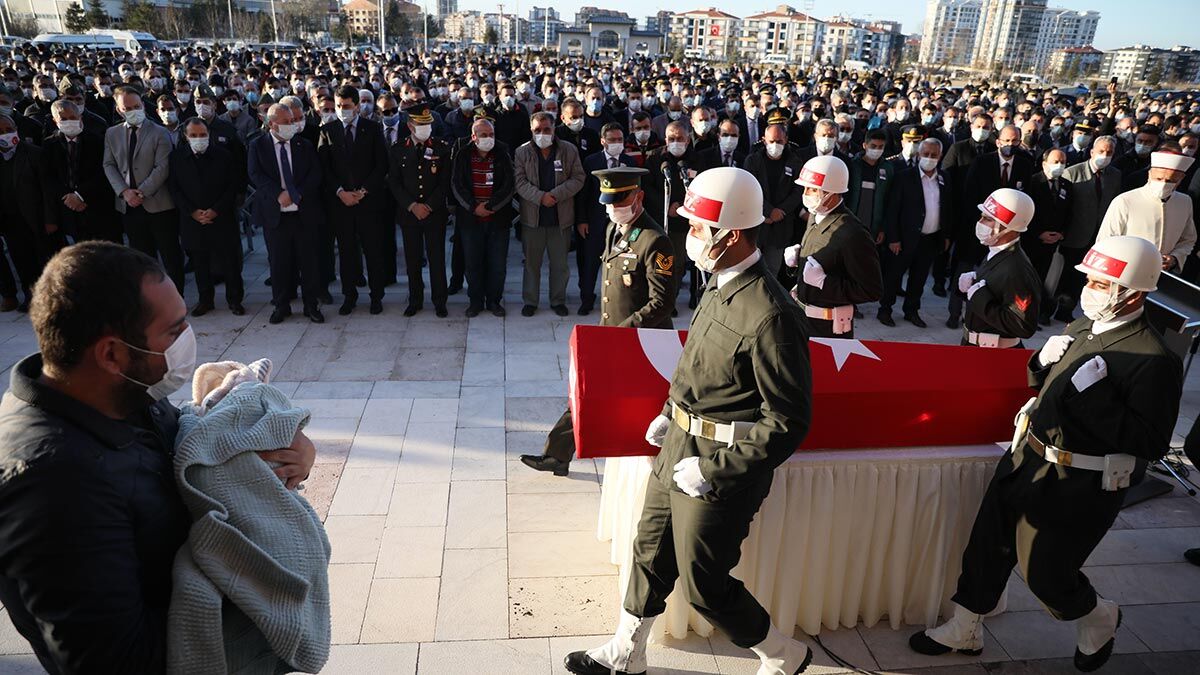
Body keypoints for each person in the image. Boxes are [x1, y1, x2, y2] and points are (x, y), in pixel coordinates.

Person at [0, 242, 316, 675]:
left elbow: (177, 441)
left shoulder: (111, 389)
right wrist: (266, 607)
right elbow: (121, 661)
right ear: (111, 353)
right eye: (174, 331)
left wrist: (282, 450)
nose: (189, 342)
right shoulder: (53, 488)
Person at [564, 167, 813, 675]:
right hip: (679, 441)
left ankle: (783, 654)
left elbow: (787, 420)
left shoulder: (771, 313)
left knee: (705, 585)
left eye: (698, 228)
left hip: (718, 465)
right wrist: (669, 412)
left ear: (733, 234)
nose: (689, 237)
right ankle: (626, 652)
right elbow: (698, 362)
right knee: (649, 550)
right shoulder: (719, 285)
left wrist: (716, 470)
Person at [911, 235, 1182, 673]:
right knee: (987, 546)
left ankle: (1097, 617)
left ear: (1133, 292)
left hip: (1079, 484)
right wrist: (1040, 362)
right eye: (1090, 280)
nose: (1090, 290)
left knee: (1047, 575)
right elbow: (1046, 387)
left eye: (1100, 283)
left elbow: (1148, 442)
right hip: (1029, 456)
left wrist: (1096, 397)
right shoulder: (1082, 328)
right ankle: (965, 626)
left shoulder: (1153, 359)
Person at [523, 167, 676, 477]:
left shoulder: (655, 241)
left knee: (657, 403)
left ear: (638, 197)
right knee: (585, 392)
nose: (612, 209)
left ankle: (669, 457)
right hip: (613, 335)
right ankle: (556, 454)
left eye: (619, 202)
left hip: (642, 341)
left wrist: (625, 331)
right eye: (608, 202)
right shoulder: (614, 229)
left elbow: (662, 302)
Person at [784, 156, 883, 338]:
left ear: (833, 191)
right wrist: (799, 261)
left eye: (813, 189)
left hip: (829, 329)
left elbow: (871, 290)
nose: (806, 194)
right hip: (804, 319)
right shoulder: (816, 216)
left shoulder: (852, 233)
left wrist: (825, 282)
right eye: (805, 188)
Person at [948, 124, 1034, 329]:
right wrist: (984, 225)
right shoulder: (982, 162)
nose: (1010, 145)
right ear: (998, 142)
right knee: (965, 271)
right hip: (977, 230)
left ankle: (985, 315)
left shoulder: (1026, 165)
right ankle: (954, 312)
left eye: (1015, 141)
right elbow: (969, 196)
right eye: (1006, 141)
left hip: (1005, 235)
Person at [247, 103, 325, 324]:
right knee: (279, 263)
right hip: (276, 214)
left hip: (303, 212)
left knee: (308, 262)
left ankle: (311, 305)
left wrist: (296, 193)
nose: (292, 125)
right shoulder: (258, 146)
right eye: (287, 122)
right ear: (272, 124)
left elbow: (314, 173)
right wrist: (278, 194)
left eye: (293, 121)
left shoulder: (304, 145)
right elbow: (255, 173)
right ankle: (281, 305)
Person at [103, 86, 183, 294]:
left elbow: (162, 167)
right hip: (128, 205)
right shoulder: (112, 133)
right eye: (127, 108)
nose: (133, 110)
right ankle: (152, 298)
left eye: (137, 106)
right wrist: (124, 192)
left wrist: (141, 192)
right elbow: (109, 165)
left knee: (170, 254)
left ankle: (176, 296)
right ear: (119, 109)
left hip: (158, 204)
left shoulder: (159, 132)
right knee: (141, 257)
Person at [319, 85, 390, 315]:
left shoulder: (372, 128)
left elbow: (381, 165)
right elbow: (324, 168)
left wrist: (364, 191)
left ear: (357, 106)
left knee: (373, 251)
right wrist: (340, 192)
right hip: (341, 203)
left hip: (368, 202)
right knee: (347, 253)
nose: (342, 110)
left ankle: (376, 296)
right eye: (339, 106)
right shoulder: (328, 130)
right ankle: (349, 296)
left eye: (346, 106)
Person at [169, 117, 244, 317]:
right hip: (192, 218)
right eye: (193, 135)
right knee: (199, 262)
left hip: (221, 216)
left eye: (202, 135)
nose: (198, 139)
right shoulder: (176, 158)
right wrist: (192, 212)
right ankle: (205, 300)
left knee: (230, 261)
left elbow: (232, 186)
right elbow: (174, 189)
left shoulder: (223, 156)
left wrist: (216, 209)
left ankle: (235, 299)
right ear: (185, 136)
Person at [513, 111, 585, 317]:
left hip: (560, 218)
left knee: (560, 264)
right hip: (532, 218)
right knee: (531, 263)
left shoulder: (569, 150)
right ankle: (530, 301)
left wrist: (555, 195)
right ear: (531, 130)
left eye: (546, 129)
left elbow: (578, 177)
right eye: (537, 130)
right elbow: (519, 182)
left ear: (554, 129)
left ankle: (558, 300)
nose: (542, 133)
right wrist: (540, 197)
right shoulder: (522, 152)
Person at [879, 138, 952, 328]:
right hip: (903, 238)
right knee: (894, 276)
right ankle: (885, 310)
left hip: (929, 238)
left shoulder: (944, 178)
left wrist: (945, 236)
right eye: (926, 154)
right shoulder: (904, 177)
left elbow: (947, 209)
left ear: (940, 156)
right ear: (919, 155)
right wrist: (893, 238)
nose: (929, 158)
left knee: (918, 278)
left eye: (933, 155)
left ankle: (911, 310)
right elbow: (893, 210)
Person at [389, 104, 452, 317]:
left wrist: (429, 206)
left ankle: (439, 300)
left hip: (434, 213)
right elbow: (395, 182)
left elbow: (445, 182)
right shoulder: (399, 149)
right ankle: (415, 299)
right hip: (409, 214)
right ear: (410, 125)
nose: (425, 128)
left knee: (437, 259)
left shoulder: (442, 148)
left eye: (428, 124)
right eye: (420, 124)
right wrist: (412, 205)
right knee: (413, 259)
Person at [958, 188, 1041, 348]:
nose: (980, 223)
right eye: (981, 217)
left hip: (993, 354)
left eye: (988, 219)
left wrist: (979, 297)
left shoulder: (1017, 270)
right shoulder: (996, 252)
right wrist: (976, 280)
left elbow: (1023, 326)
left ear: (1010, 227)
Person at [451, 118, 515, 317]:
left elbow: (509, 184)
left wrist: (491, 206)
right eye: (484, 135)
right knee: (473, 264)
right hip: (471, 219)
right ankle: (475, 301)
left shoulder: (502, 152)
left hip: (497, 219)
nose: (488, 139)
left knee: (497, 265)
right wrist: (473, 207)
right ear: (474, 137)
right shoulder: (463, 154)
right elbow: (456, 184)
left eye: (491, 135)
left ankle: (494, 301)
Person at [1097, 150, 1196, 274]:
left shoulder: (1184, 202)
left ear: (1181, 179)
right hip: (1125, 272)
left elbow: (1188, 239)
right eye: (1158, 178)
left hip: (1161, 275)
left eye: (1171, 181)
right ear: (1149, 174)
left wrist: (1174, 258)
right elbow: (1105, 241)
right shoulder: (1125, 200)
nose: (1163, 184)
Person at [1056, 136, 1122, 322]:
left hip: (1098, 238)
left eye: (1109, 153)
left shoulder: (1115, 175)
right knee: (1063, 274)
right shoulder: (1072, 173)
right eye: (1101, 151)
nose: (1105, 155)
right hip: (1073, 235)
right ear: (1092, 152)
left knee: (1082, 278)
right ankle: (1048, 308)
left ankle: (1066, 310)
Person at [577, 123, 636, 315]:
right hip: (595, 221)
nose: (617, 143)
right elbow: (583, 195)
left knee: (622, 262)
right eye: (612, 140)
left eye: (620, 139)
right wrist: (582, 219)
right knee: (590, 262)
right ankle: (586, 299)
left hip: (623, 222)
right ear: (603, 141)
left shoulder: (630, 162)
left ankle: (617, 299)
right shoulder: (591, 162)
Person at [743, 116, 804, 275]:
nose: (775, 145)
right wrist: (768, 211)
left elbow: (797, 192)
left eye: (779, 141)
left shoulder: (795, 162)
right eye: (771, 141)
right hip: (756, 224)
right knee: (750, 270)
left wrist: (779, 212)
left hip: (781, 226)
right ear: (764, 140)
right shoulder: (753, 161)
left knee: (772, 271)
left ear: (786, 140)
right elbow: (749, 189)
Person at [1023, 148, 1073, 326]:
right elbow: (1026, 212)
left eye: (1062, 162)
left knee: (1043, 278)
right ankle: (1024, 313)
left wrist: (1061, 234)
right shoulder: (1033, 182)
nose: (1059, 165)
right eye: (1055, 162)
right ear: (1044, 163)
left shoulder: (1067, 185)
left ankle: (1039, 312)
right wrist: (1038, 233)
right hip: (1031, 241)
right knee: (1028, 278)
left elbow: (1069, 213)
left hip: (1052, 243)